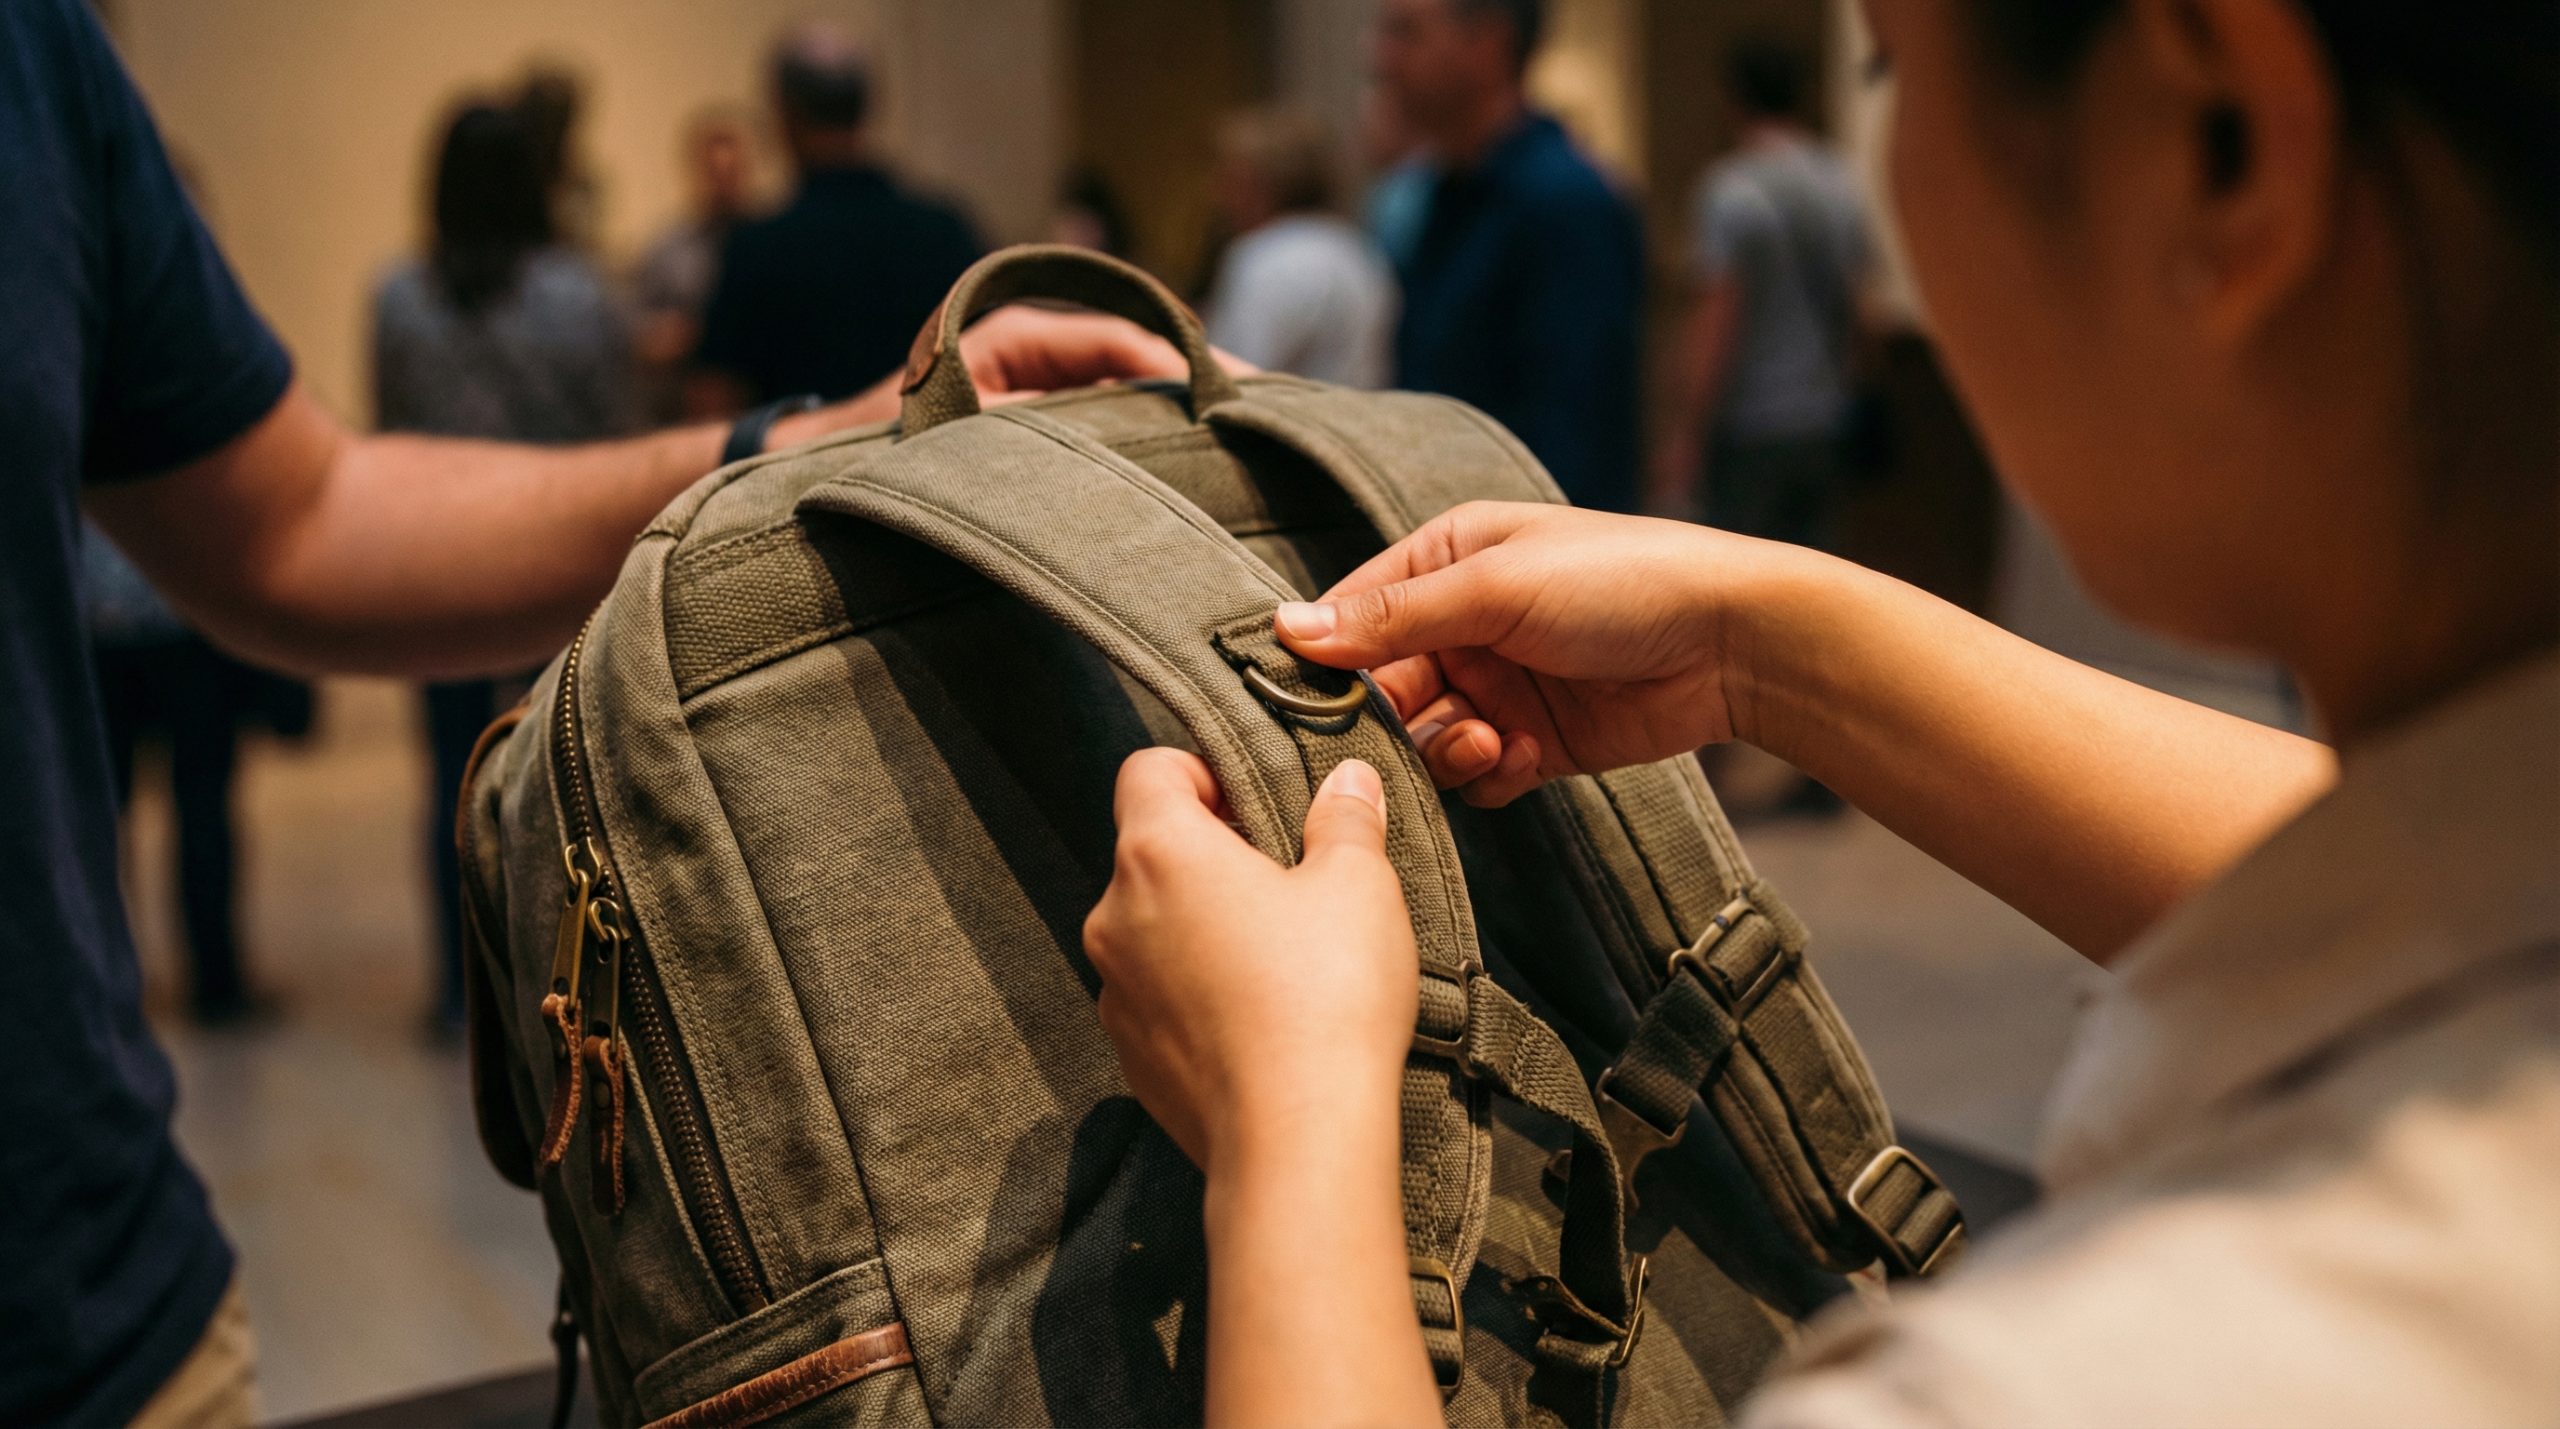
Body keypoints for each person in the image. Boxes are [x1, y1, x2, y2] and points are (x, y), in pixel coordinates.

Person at [1082, 0, 2558, 1423]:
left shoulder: (2076, 1379)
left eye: (1896, 66)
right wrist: (1758, 646)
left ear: (2218, 140)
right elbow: (2409, 881)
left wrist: (1291, 1128)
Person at [0, 2, 1189, 1421]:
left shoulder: (53, 66)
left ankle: (471, 991)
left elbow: (301, 508)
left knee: (472, 795)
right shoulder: (610, 285)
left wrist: (790, 436)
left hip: (105, 1303)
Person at [372, 101, 642, 1036]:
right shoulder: (580, 296)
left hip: (436, 563)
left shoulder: (398, 298)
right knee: (556, 783)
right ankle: (551, 984)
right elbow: (615, 430)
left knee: (450, 782)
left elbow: (391, 430)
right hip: (553, 566)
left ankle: (460, 990)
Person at [1374, 0, 1645, 512]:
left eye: (1406, 33)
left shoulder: (1564, 201)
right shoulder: (1445, 193)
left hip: (1531, 540)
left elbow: (1577, 437)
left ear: (1487, 44)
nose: (1380, 59)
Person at [690, 21, 984, 413]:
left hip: (803, 454)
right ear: (871, 105)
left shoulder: (759, 249)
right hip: (931, 450)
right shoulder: (944, 232)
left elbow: (716, 402)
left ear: (784, 114)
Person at [1651, 41, 1876, 549]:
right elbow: (1860, 310)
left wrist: (1685, 432)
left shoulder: (1730, 189)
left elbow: (1717, 322)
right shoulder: (1838, 180)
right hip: (1824, 417)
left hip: (1752, 424)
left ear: (1732, 99)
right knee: (1817, 569)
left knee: (1741, 569)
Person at [1202, 108, 1397, 389]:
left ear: (1260, 184)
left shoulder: (1266, 255)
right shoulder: (1356, 248)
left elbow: (1230, 377)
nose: (1219, 194)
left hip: (1283, 415)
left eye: (1231, 178)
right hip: (1358, 413)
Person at [632, 106, 759, 422]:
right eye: (714, 172)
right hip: (684, 408)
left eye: (731, 172)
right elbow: (636, 336)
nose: (723, 184)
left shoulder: (772, 245)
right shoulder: (668, 250)